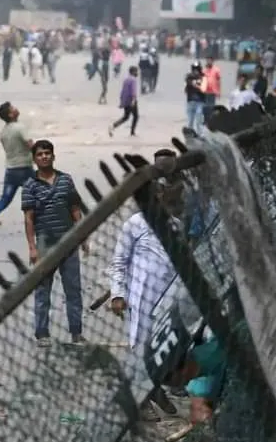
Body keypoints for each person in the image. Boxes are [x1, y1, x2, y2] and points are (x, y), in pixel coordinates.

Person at [108, 150, 184, 421]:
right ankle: (141, 402)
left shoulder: (176, 224)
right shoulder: (135, 225)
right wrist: (117, 293)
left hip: (170, 297)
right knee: (139, 347)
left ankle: (154, 391)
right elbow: (119, 261)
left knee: (163, 348)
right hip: (140, 298)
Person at [22, 140, 87, 347]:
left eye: (47, 153)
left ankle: (76, 332)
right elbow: (29, 218)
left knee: (73, 290)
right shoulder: (30, 185)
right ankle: (42, 333)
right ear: (34, 159)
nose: (44, 157)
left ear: (53, 156)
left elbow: (76, 210)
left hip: (68, 241)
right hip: (45, 244)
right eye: (40, 154)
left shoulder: (66, 180)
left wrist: (83, 236)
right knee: (43, 290)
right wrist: (32, 247)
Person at [0, 102, 34, 237]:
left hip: (11, 171)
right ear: (11, 114)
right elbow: (30, 145)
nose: (16, 109)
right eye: (13, 108)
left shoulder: (3, 132)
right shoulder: (20, 128)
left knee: (5, 199)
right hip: (25, 169)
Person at [108, 66, 140, 137]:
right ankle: (132, 132)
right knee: (136, 116)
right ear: (133, 72)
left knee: (126, 117)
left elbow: (123, 92)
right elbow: (133, 92)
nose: (137, 73)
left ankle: (113, 126)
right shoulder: (133, 80)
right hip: (131, 101)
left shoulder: (126, 80)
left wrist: (122, 102)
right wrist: (133, 101)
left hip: (126, 101)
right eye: (136, 71)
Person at [185, 61, 206, 134]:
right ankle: (189, 134)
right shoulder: (188, 76)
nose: (195, 70)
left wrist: (195, 84)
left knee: (199, 120)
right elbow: (187, 84)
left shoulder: (204, 77)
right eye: (194, 69)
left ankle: (200, 134)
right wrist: (196, 84)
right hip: (190, 102)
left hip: (200, 102)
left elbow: (203, 89)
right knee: (190, 120)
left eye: (197, 69)